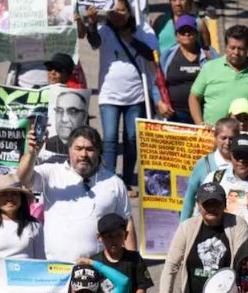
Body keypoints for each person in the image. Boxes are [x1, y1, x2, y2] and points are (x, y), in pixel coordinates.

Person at [17, 125, 136, 261]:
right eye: (78, 148)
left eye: (90, 149)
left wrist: (131, 269)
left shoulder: (114, 183)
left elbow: (126, 223)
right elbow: (23, 178)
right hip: (54, 270)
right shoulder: (52, 173)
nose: (83, 155)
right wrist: (32, 152)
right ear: (69, 150)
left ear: (99, 152)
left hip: (97, 271)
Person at [85, 1, 158, 193]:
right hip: (109, 95)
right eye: (114, 10)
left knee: (132, 138)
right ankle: (109, 180)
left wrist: (132, 40)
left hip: (136, 95)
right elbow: (94, 42)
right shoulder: (105, 30)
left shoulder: (143, 30)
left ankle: (125, 181)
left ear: (129, 12)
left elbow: (152, 55)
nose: (117, 14)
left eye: (121, 10)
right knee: (109, 139)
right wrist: (91, 24)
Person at [160, 181, 248, 293]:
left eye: (216, 203)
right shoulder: (187, 227)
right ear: (198, 205)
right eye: (206, 204)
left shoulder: (238, 225)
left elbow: (242, 264)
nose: (211, 208)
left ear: (224, 204)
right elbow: (172, 264)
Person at [154, 16, 215, 124]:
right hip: (176, 115)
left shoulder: (209, 54)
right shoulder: (167, 56)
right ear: (176, 36)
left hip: (205, 115)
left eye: (190, 30)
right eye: (182, 31)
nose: (186, 34)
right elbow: (156, 83)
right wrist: (159, 103)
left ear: (196, 34)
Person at [0, 174, 44, 259]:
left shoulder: (35, 225)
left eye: (14, 194)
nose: (9, 198)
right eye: (4, 194)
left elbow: (41, 261)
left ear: (21, 198)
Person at [180, 117, 239, 220]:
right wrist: (183, 227)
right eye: (223, 138)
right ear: (215, 137)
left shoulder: (242, 164)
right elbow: (189, 197)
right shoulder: (204, 163)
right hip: (206, 225)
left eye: (231, 138)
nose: (227, 142)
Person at [190, 25, 248, 127]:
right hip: (212, 135)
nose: (236, 52)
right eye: (232, 48)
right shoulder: (210, 67)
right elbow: (194, 97)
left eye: (241, 49)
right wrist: (199, 124)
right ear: (226, 46)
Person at [201, 133, 248, 222]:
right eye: (238, 155)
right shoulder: (215, 178)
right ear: (231, 155)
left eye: (246, 156)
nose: (242, 161)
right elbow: (200, 209)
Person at [42, 89, 89, 162]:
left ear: (84, 117)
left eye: (72, 112)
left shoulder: (89, 148)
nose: (64, 119)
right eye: (59, 111)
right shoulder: (45, 143)